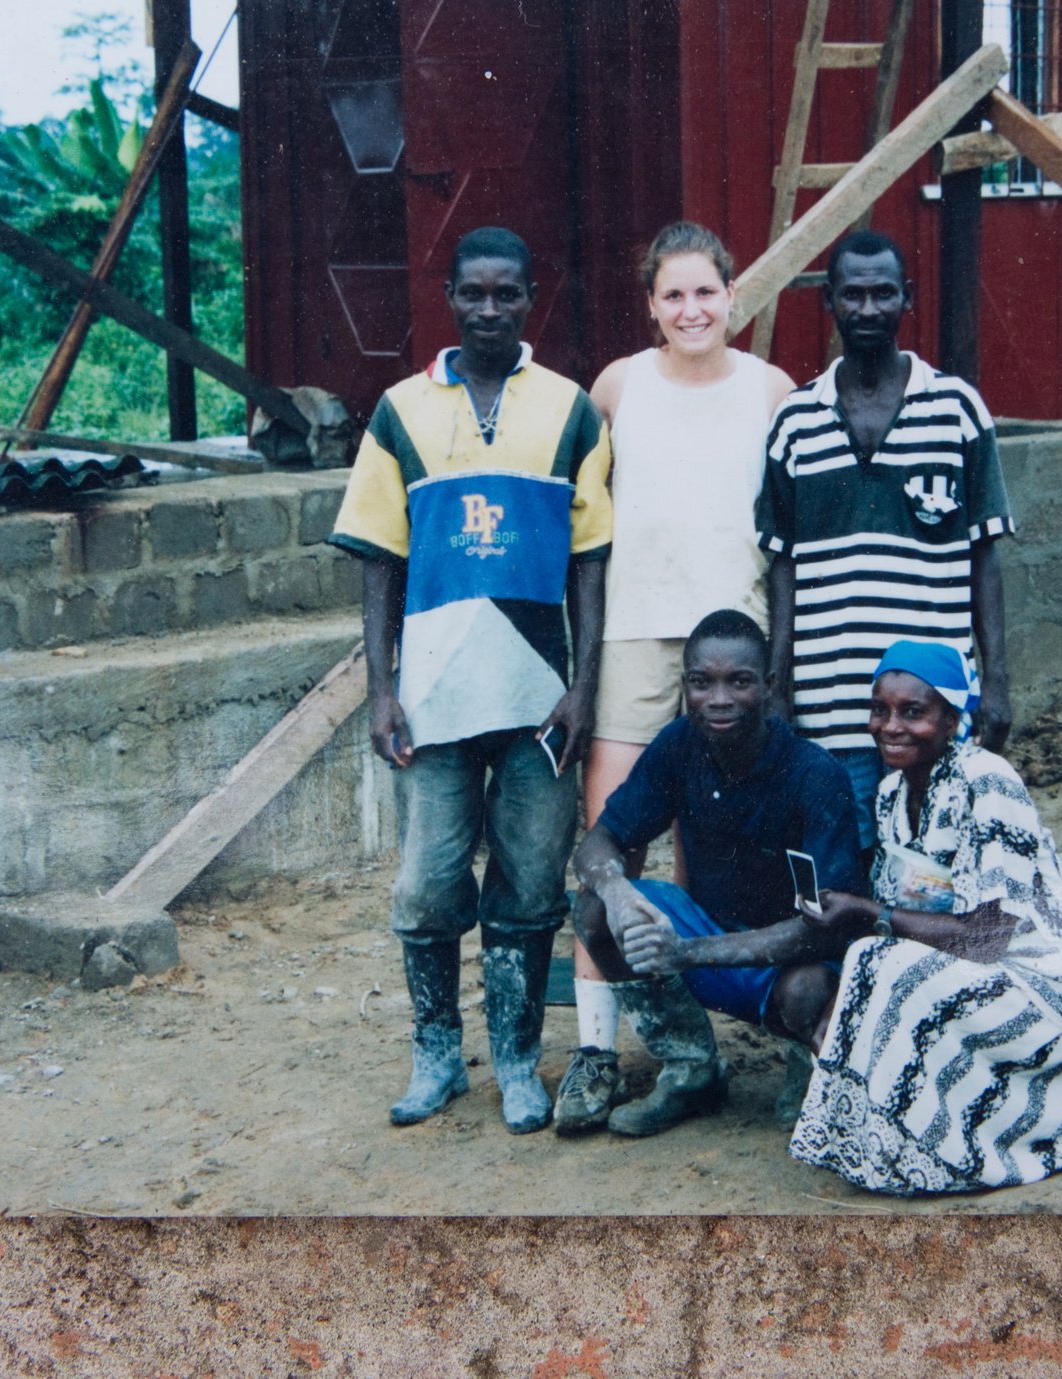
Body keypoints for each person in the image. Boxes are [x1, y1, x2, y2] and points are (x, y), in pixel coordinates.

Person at [325, 226, 612, 1135]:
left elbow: (592, 563)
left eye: (508, 295)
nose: (490, 310)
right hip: (435, 700)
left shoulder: (571, 411)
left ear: (532, 299)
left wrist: (585, 685)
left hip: (539, 698)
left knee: (529, 886)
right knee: (425, 884)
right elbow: (377, 561)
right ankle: (438, 1056)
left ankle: (519, 1062)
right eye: (473, 294)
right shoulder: (399, 410)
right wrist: (382, 688)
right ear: (448, 295)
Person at [557, 221, 799, 1132]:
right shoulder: (619, 385)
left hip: (735, 648)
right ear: (650, 304)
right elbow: (582, 510)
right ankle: (594, 1049)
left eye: (706, 292)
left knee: (726, 848)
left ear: (733, 297)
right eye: (673, 295)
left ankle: (714, 1047)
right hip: (636, 636)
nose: (691, 310)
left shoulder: (773, 390)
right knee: (611, 842)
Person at [787, 641, 1062, 1195]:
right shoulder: (892, 794)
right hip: (971, 971)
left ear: (950, 720)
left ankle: (956, 1148)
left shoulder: (986, 779)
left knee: (876, 958)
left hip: (1050, 986)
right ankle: (908, 1139)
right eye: (880, 709)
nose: (889, 726)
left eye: (912, 712)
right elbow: (919, 913)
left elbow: (990, 935)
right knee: (870, 967)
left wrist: (868, 914)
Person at [757, 229, 1016, 851]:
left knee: (935, 869)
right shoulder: (795, 420)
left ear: (908, 299)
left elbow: (985, 555)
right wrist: (777, 685)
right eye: (853, 295)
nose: (867, 309)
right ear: (831, 303)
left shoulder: (956, 409)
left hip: (932, 707)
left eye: (882, 294)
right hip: (831, 708)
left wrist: (999, 684)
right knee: (844, 869)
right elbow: (783, 566)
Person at [567, 609, 867, 1137]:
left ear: (771, 687)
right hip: (706, 937)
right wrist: (616, 892)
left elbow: (827, 927)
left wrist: (686, 953)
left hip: (785, 960)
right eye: (702, 683)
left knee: (810, 990)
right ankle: (691, 1069)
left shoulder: (815, 774)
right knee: (594, 910)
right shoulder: (679, 743)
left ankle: (808, 1065)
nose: (720, 699)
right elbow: (600, 841)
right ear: (685, 686)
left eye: (740, 682)